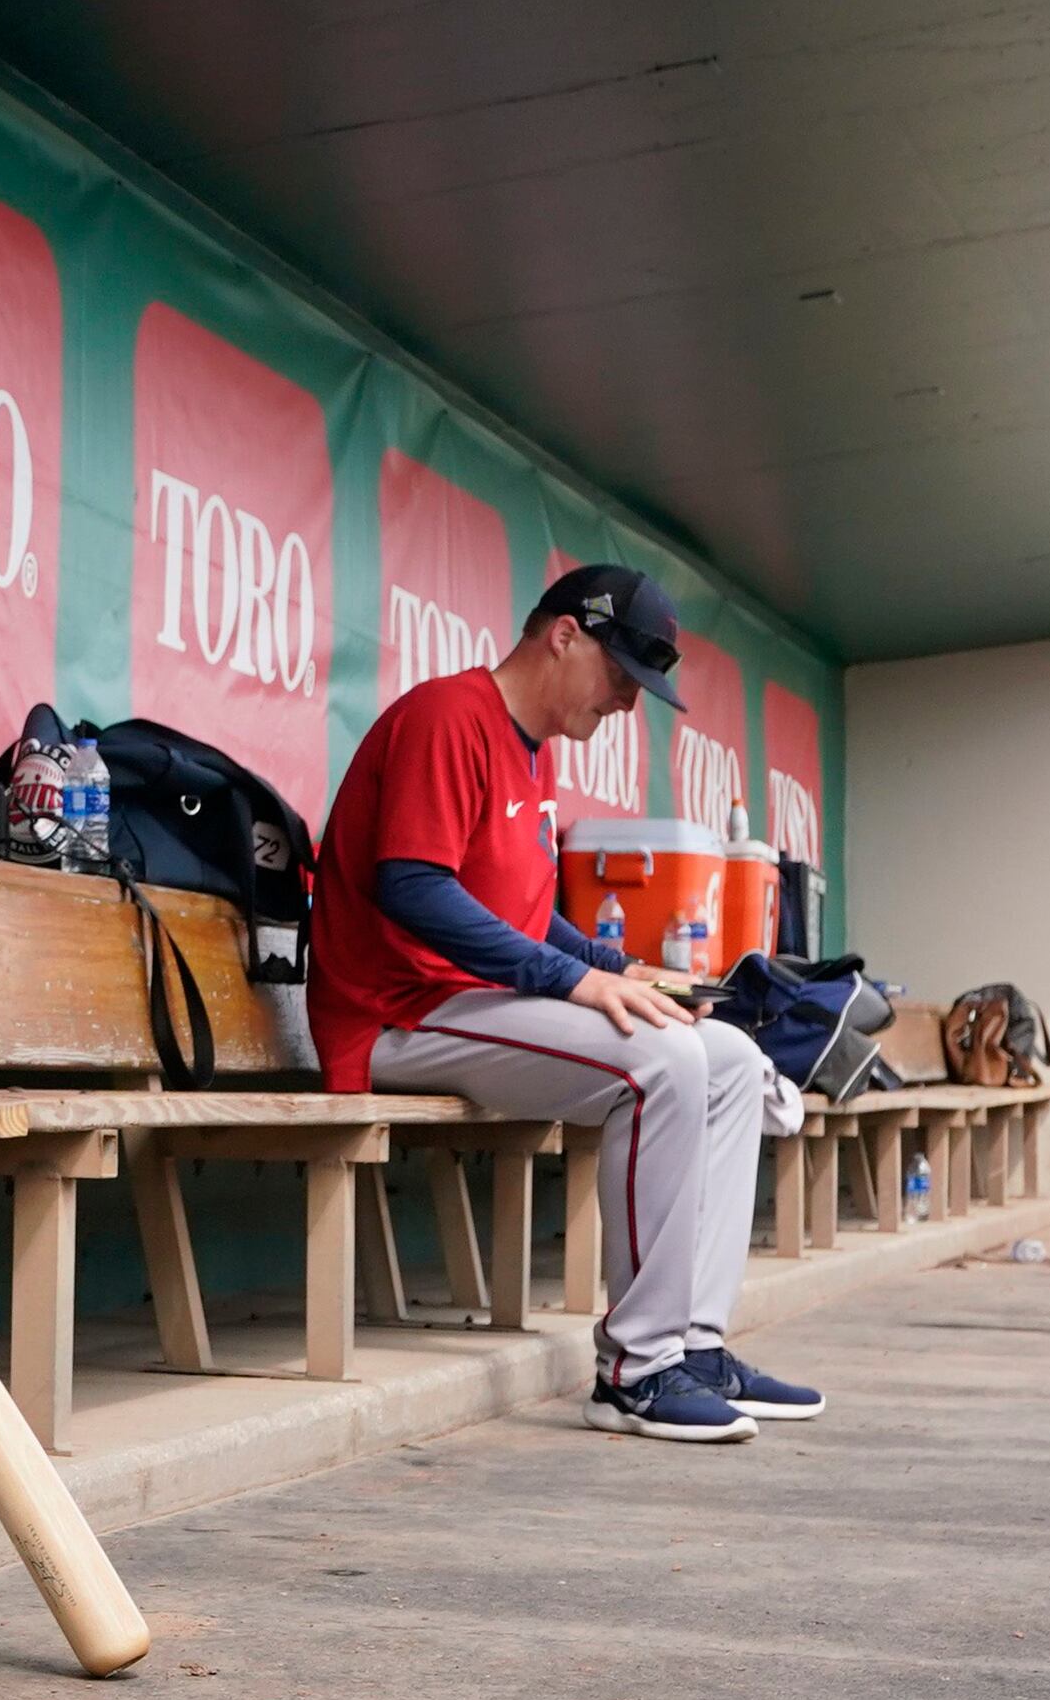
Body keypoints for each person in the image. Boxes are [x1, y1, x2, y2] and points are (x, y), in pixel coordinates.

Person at [305, 567, 820, 1442]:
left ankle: (694, 1344)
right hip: (396, 1011)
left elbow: (523, 915)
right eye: (622, 677)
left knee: (729, 1056)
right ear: (565, 636)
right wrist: (575, 981)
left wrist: (621, 967)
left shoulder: (531, 752)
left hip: (472, 1005)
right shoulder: (447, 715)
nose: (627, 703)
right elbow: (413, 888)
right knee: (660, 1062)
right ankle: (636, 1369)